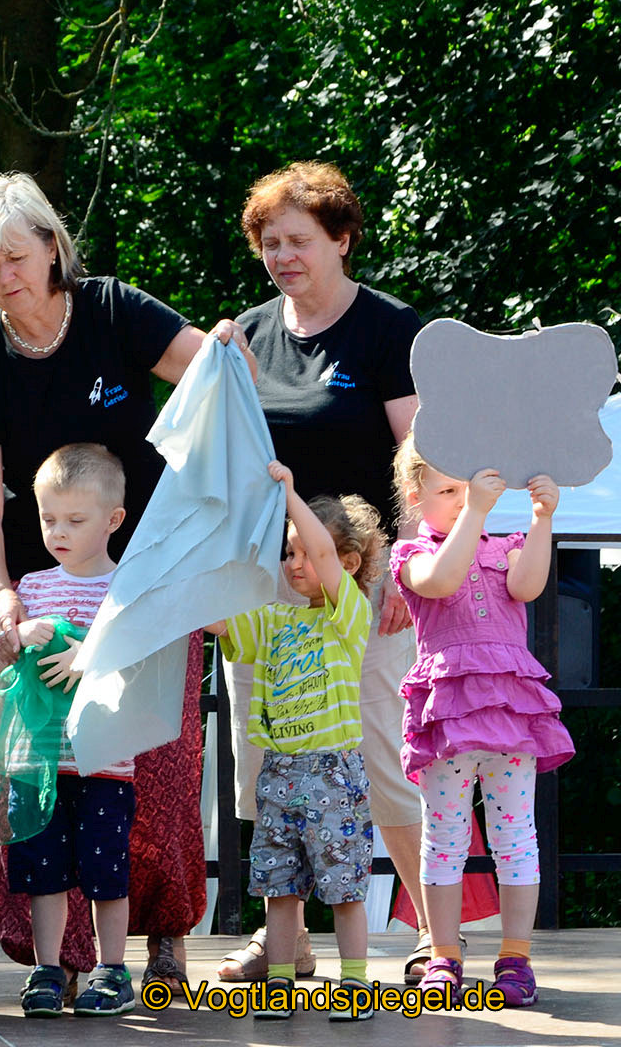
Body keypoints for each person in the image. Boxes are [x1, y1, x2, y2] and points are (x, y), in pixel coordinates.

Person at [0, 172, 247, 990]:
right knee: (43, 772)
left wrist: (224, 347)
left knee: (159, 764)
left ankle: (162, 943)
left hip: (149, 581)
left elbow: (214, 380)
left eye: (16, 257)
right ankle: (61, 959)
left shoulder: (115, 309)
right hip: (38, 598)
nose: (5, 278)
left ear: (52, 247)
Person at [221, 161, 432, 983]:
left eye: (299, 240)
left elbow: (420, 461)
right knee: (262, 753)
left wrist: (407, 572)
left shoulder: (389, 330)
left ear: (342, 240)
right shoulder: (244, 336)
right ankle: (289, 944)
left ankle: (428, 941)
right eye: (270, 242)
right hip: (267, 583)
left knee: (379, 753)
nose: (282, 255)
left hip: (363, 580)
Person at [390, 434, 576, 1007]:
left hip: (510, 712)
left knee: (516, 836)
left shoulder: (507, 546)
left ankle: (515, 956)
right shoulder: (412, 555)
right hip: (447, 710)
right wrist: (473, 511)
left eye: (467, 487)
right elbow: (441, 581)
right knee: (444, 837)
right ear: (414, 495)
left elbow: (529, 586)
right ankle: (444, 954)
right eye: (447, 490)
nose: (465, 498)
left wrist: (543, 521)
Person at [211, 463, 384, 1021]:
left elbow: (326, 557)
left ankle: (356, 990)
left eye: (303, 551)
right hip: (280, 772)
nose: (295, 562)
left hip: (333, 772)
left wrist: (288, 493)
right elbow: (222, 624)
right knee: (279, 887)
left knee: (345, 889)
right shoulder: (276, 620)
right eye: (289, 553)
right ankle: (281, 988)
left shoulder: (347, 616)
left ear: (348, 563)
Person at [3, 444, 140, 1017]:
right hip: (40, 762)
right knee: (44, 873)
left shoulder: (128, 586)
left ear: (113, 520)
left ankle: (112, 968)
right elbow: (8, 656)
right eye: (48, 518)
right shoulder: (33, 585)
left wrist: (92, 655)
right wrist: (21, 631)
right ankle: (48, 969)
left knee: (107, 866)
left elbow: (141, 658)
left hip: (105, 759)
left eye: (75, 521)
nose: (58, 531)